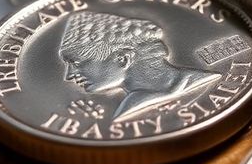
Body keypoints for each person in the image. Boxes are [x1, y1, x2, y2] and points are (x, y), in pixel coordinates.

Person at [58, 11, 221, 121]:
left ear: (122, 58)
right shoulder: (128, 108)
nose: (69, 75)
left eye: (75, 63)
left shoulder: (203, 80)